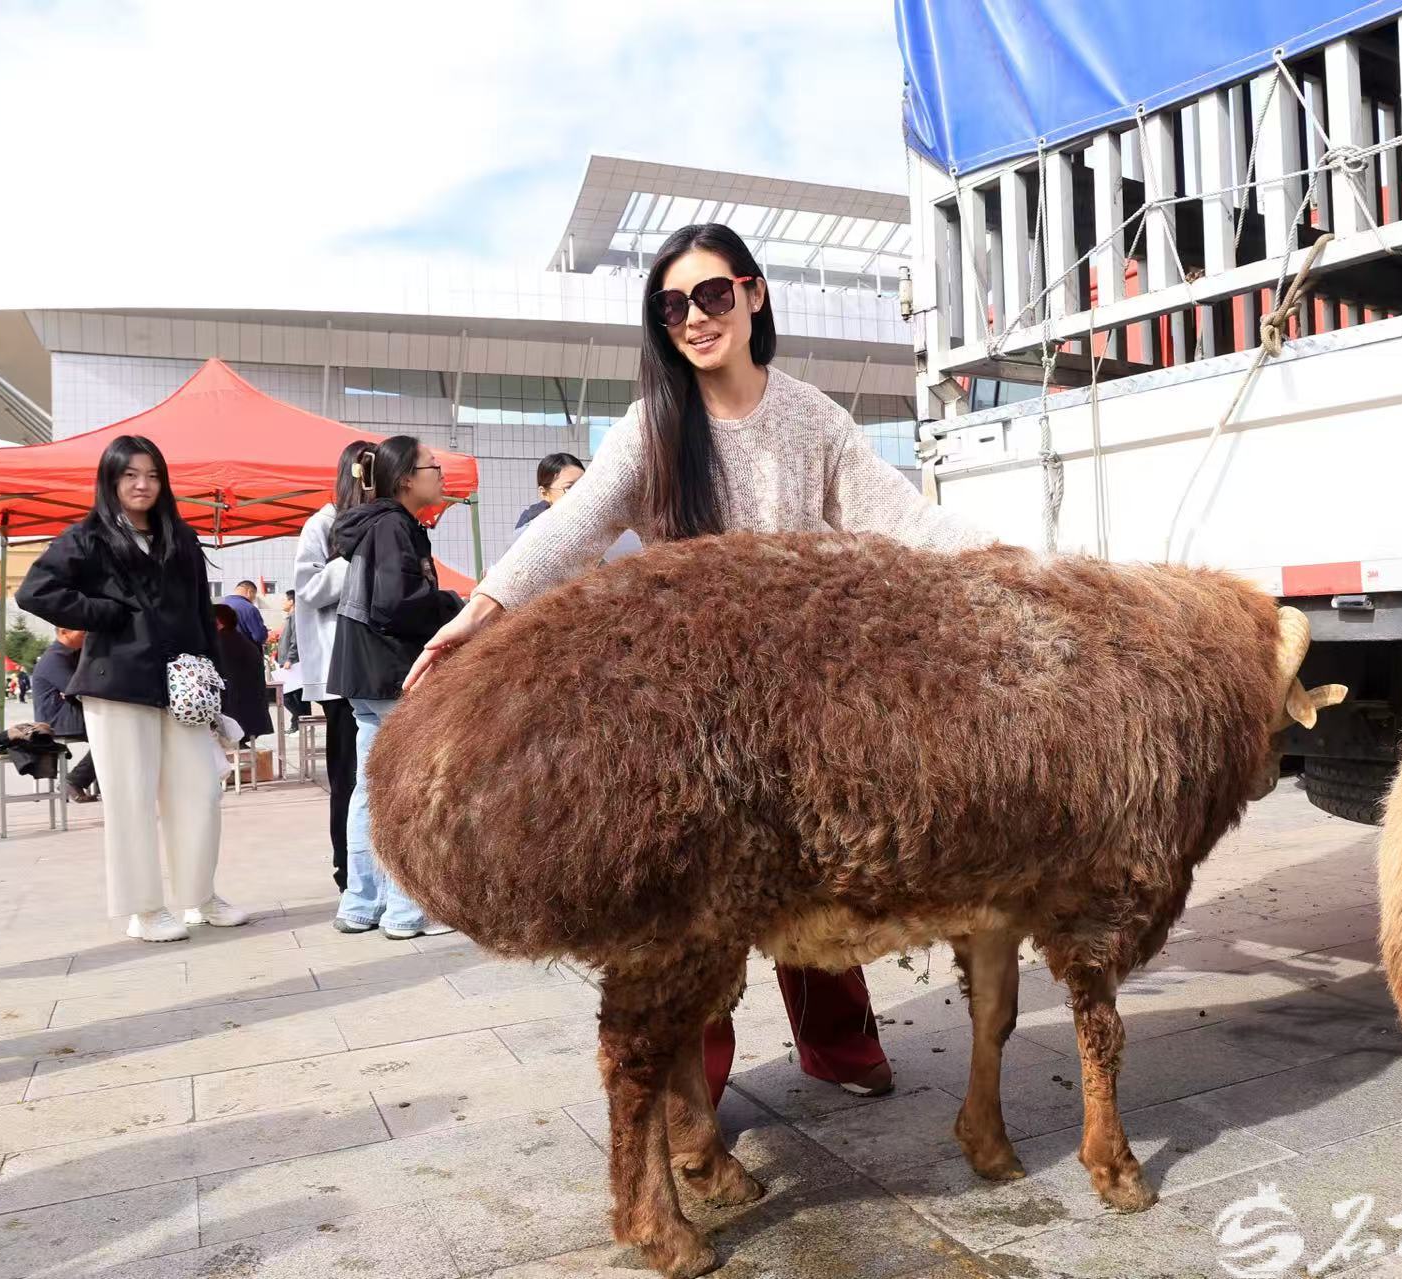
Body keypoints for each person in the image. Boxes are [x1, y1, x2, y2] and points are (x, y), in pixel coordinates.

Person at [406, 222, 993, 1103]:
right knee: (693, 897)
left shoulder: (813, 418)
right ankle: (694, 1081)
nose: (694, 317)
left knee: (817, 872)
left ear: (753, 293)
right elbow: (574, 529)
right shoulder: (653, 426)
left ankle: (837, 1041)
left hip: (803, 703)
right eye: (672, 305)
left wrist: (1023, 568)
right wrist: (481, 609)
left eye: (713, 294)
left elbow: (906, 520)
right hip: (692, 714)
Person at [16, 435, 249, 943]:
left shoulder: (179, 538)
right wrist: (104, 614)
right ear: (111, 479)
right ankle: (144, 908)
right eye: (130, 475)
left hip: (182, 687)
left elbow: (201, 616)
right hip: (116, 684)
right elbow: (35, 591)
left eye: (152, 475)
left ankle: (200, 896)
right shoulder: (88, 537)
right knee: (130, 799)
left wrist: (213, 679)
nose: (142, 484)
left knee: (200, 791)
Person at [329, 435, 463, 941]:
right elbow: (394, 604)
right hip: (390, 672)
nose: (441, 474)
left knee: (370, 790)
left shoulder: (376, 523)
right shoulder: (393, 525)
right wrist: (450, 604)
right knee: (407, 789)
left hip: (364, 674)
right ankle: (407, 911)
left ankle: (362, 904)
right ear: (407, 478)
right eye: (433, 466)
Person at [294, 439, 373, 890]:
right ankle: (348, 872)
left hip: (379, 668)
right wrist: (352, 556)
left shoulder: (385, 522)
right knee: (348, 777)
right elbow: (308, 589)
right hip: (340, 672)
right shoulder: (322, 525)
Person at [32, 627, 99, 802]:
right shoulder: (54, 658)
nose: (87, 635)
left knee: (116, 732)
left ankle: (97, 782)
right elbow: (80, 689)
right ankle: (75, 780)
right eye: (82, 633)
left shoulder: (72, 655)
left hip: (70, 711)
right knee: (112, 735)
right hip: (57, 719)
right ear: (64, 632)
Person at [212, 604, 272, 746]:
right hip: (250, 716)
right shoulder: (240, 641)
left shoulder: (222, 644)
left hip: (234, 717)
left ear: (217, 621)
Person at [515, 452, 584, 529]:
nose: (579, 493)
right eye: (569, 487)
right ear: (544, 493)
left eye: (583, 485)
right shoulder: (531, 525)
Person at [278, 589, 305, 732]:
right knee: (294, 696)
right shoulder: (290, 617)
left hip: (292, 663)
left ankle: (300, 720)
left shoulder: (295, 617)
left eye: (285, 600)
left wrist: (290, 658)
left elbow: (296, 640)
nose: (283, 602)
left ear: (292, 601)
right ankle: (297, 723)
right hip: (287, 662)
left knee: (289, 696)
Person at [221, 580, 269, 649]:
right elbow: (259, 636)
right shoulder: (249, 608)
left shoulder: (221, 605)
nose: (254, 599)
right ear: (250, 592)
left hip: (223, 651)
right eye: (254, 595)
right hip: (245, 652)